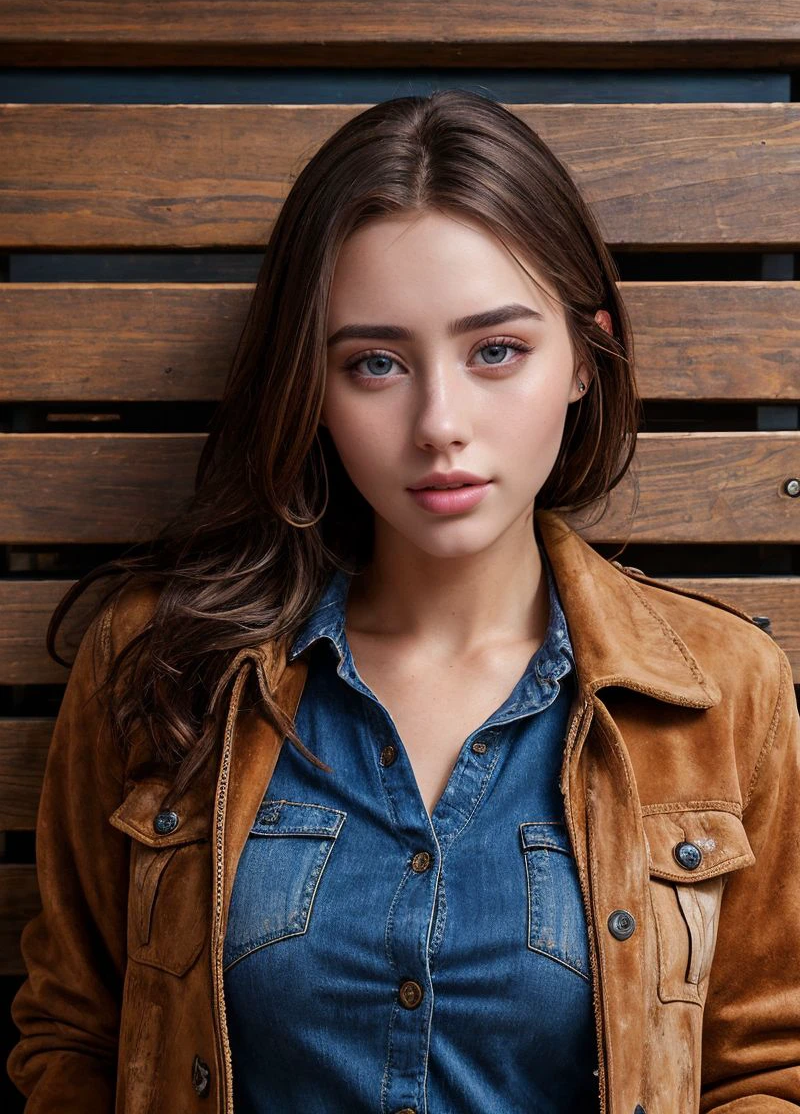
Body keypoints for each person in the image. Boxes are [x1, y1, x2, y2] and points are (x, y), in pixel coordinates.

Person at [7, 90, 800, 1113]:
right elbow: (73, 1035)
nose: (439, 424)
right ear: (311, 385)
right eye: (374, 363)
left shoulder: (722, 694)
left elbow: (763, 1070)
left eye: (494, 351)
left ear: (582, 358)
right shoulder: (160, 665)